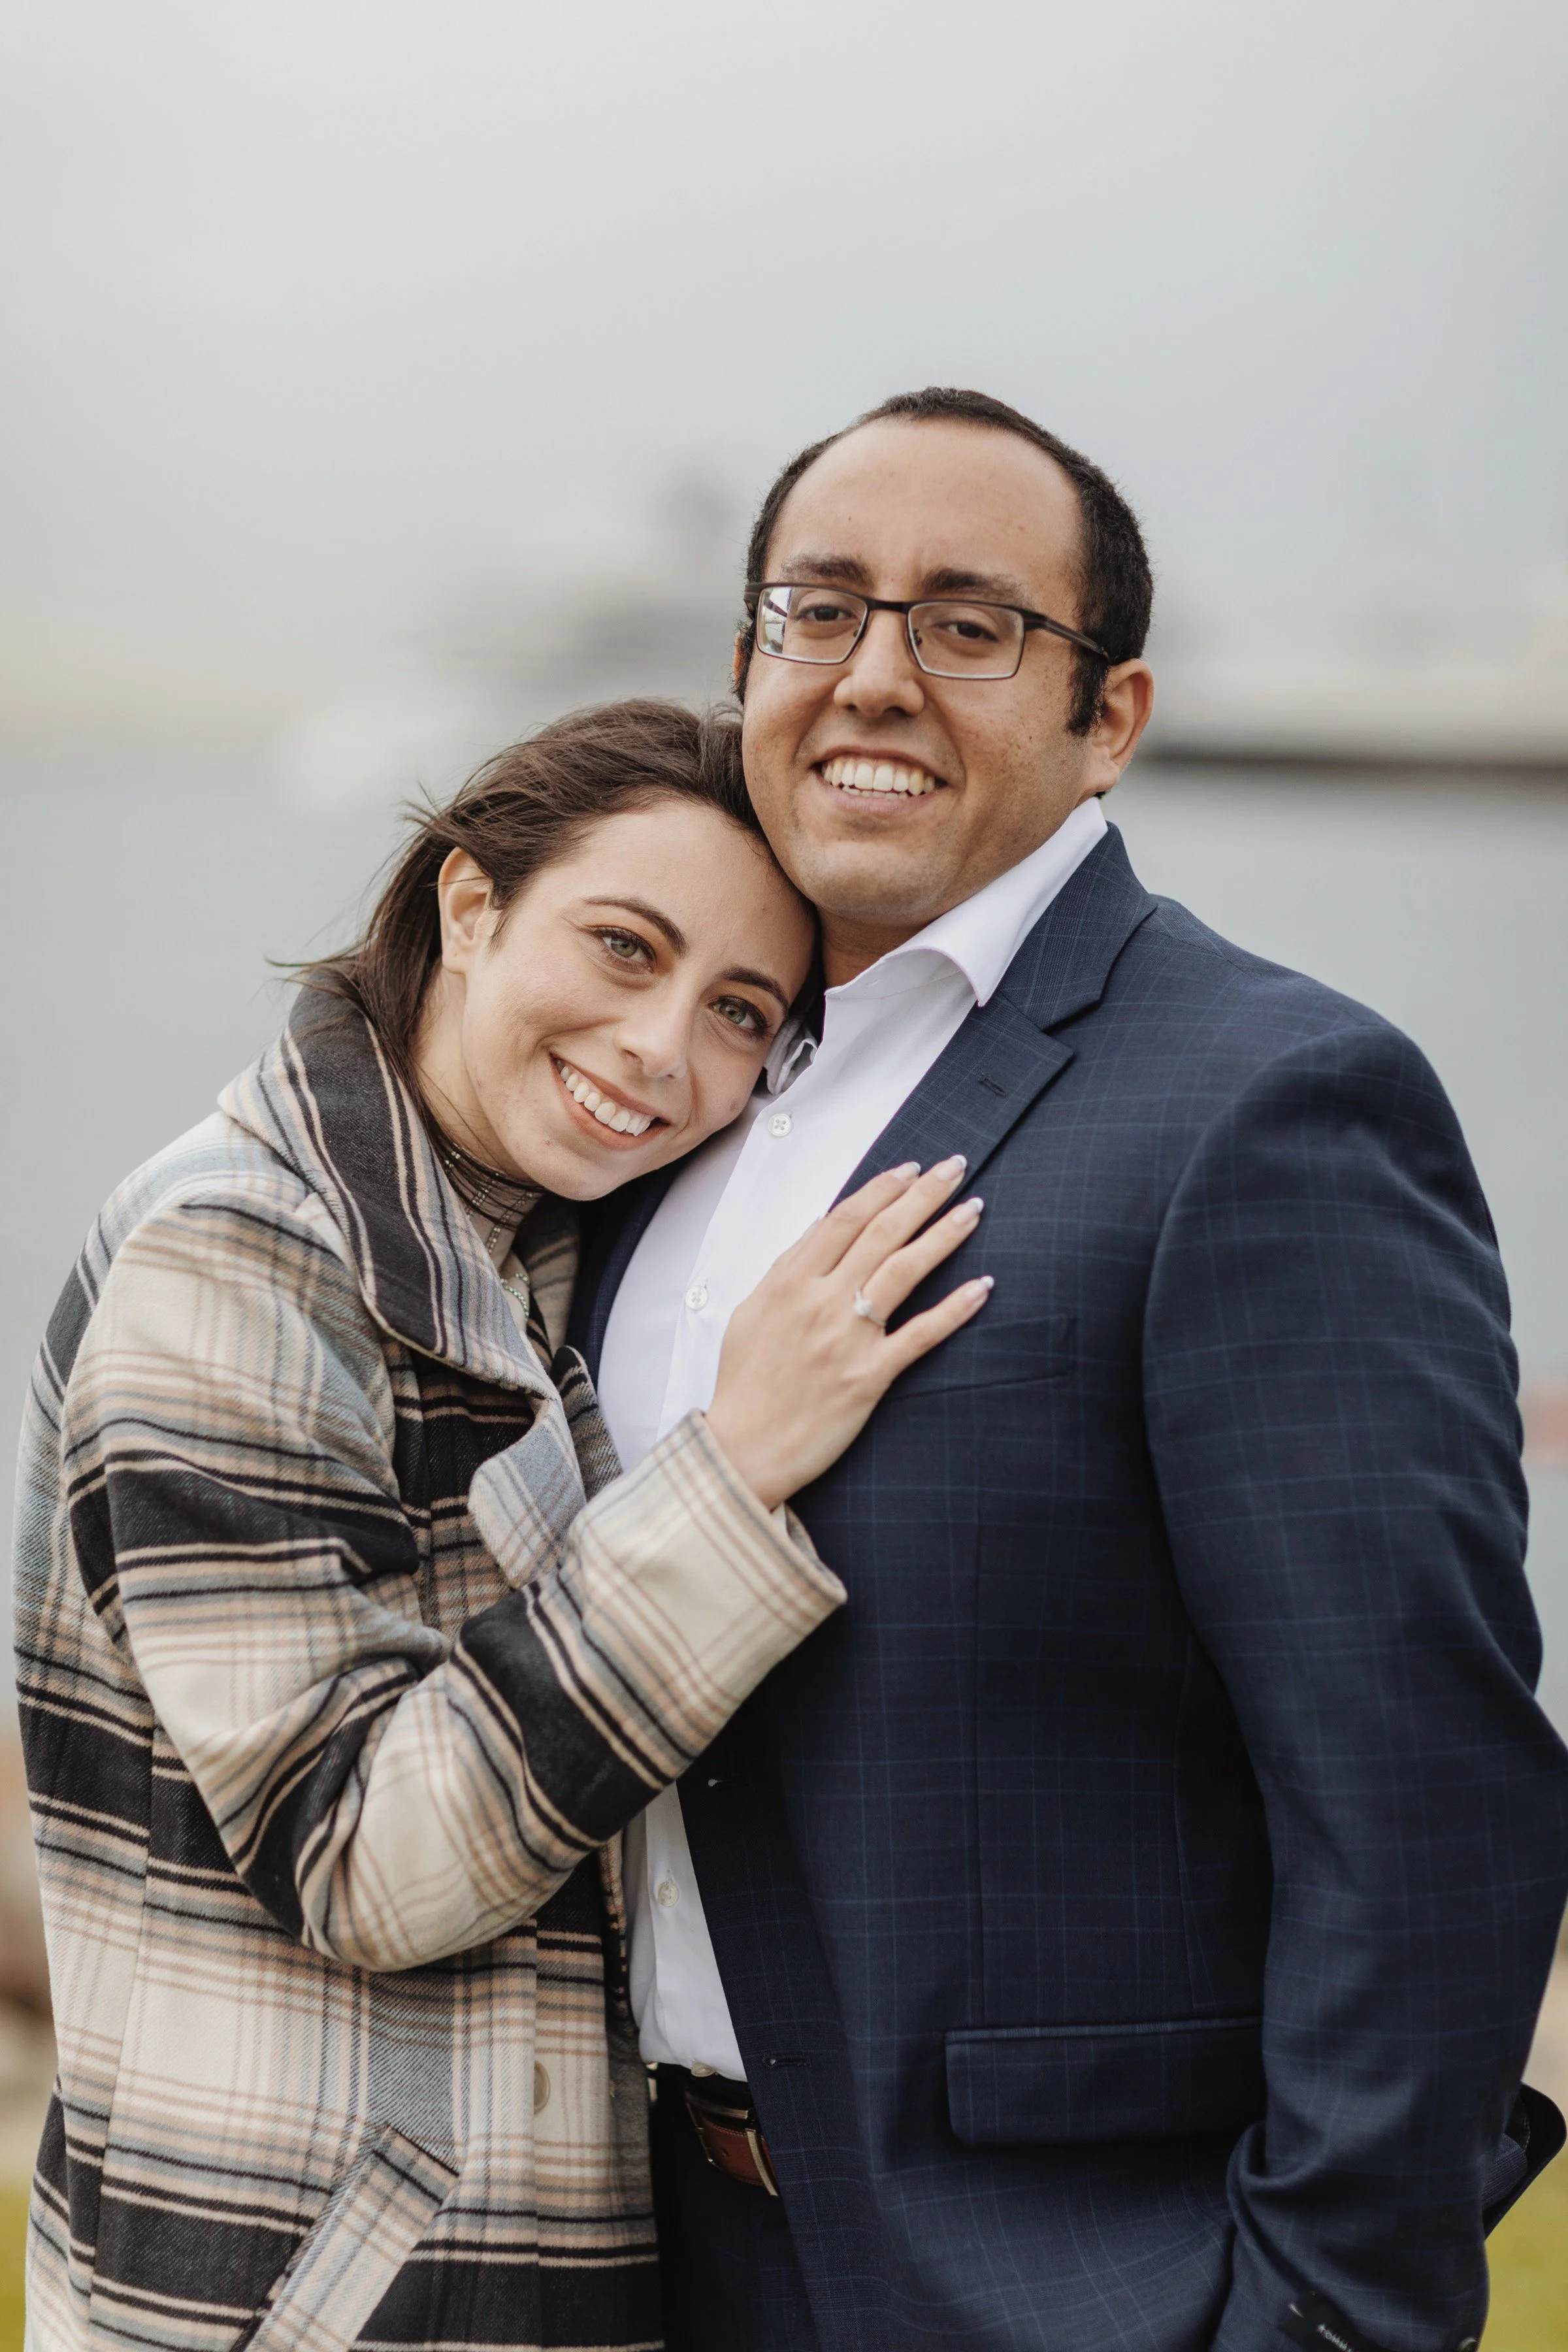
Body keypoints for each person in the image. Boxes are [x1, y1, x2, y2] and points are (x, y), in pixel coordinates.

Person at [574, 391, 1568, 2352]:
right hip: (636, 2256)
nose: (874, 675)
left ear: (1109, 716)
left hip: (1065, 2288)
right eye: (819, 609)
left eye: (968, 625)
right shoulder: (661, 1092)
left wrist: (1317, 2316)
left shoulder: (1270, 1106)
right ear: (750, 663)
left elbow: (1427, 1806)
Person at [12, 699, 994, 2352]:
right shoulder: (239, 1259)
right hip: (291, 2300)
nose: (661, 1048)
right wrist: (732, 1474)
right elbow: (356, 1853)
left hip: (493, 2281)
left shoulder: (524, 1254)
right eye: (623, 946)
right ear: (470, 904)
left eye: (739, 1011)